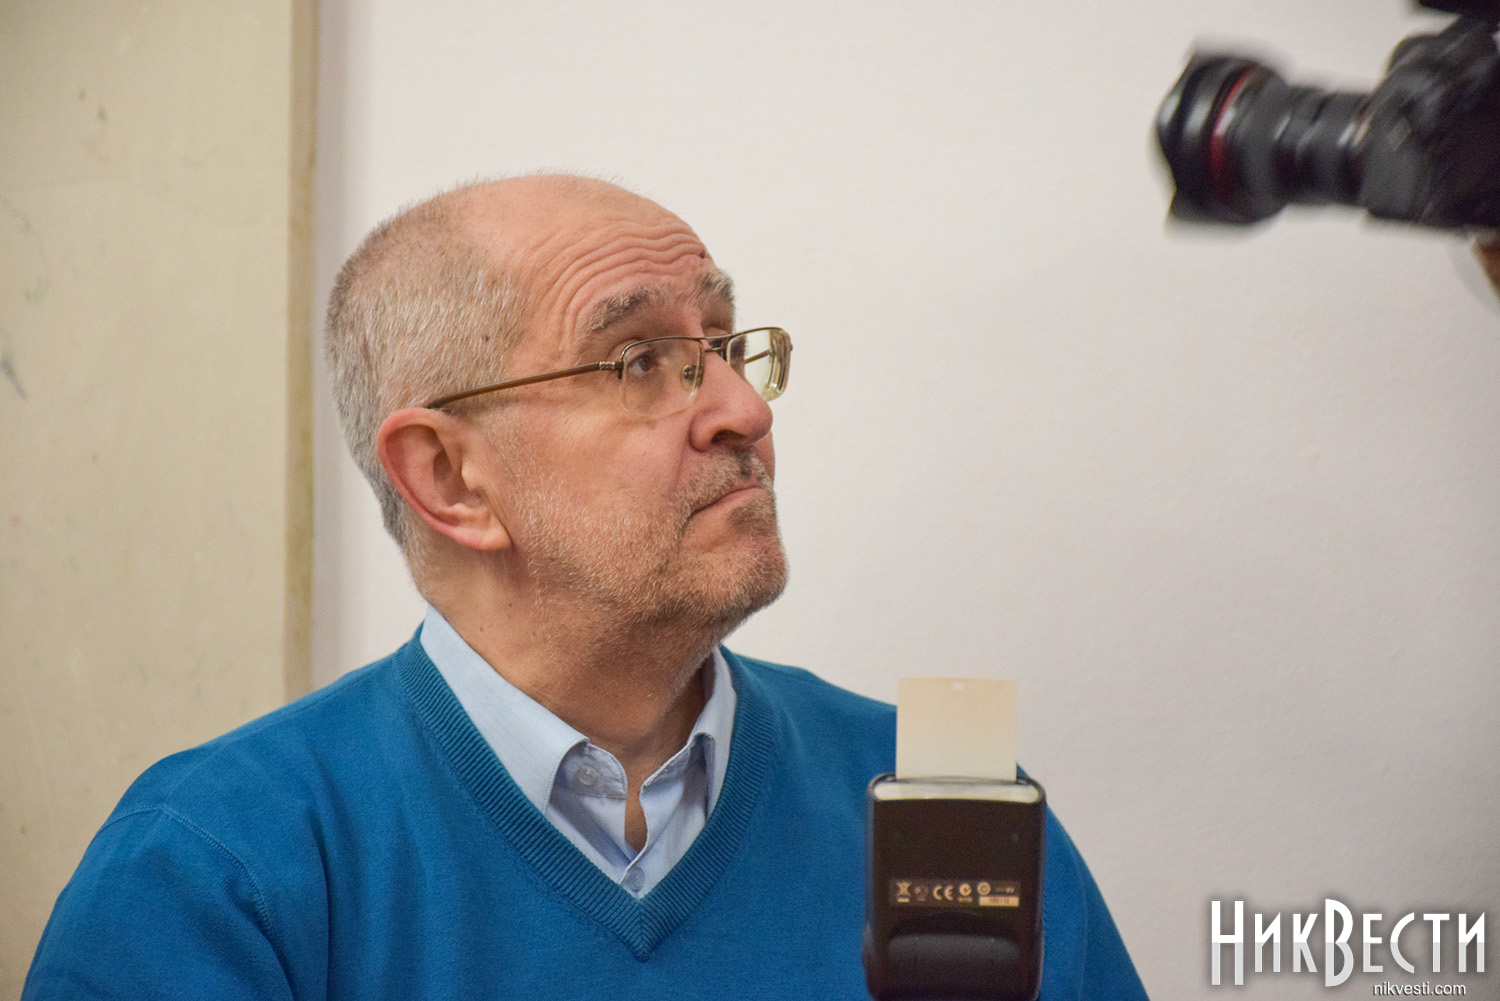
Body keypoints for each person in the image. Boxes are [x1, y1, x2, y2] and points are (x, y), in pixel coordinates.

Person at [23, 175, 1147, 999]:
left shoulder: (951, 822)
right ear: (450, 477)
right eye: (641, 361)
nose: (744, 410)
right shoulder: (219, 869)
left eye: (723, 344)